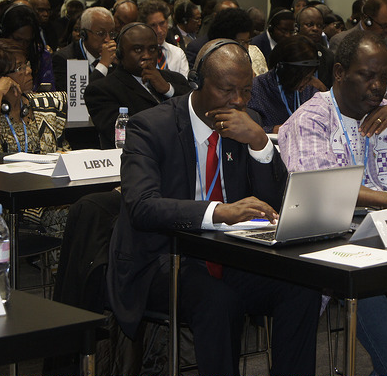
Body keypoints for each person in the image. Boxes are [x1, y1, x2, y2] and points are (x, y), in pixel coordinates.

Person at [106, 38, 320, 375]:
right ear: (198, 84)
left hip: (230, 255)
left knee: (302, 289)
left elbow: (276, 201)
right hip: (164, 260)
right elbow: (142, 207)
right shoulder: (150, 127)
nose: (238, 101)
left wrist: (260, 142)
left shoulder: (245, 121)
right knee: (218, 301)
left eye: (246, 91)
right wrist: (218, 211)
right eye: (227, 90)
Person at [278, 30, 387, 376]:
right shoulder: (311, 119)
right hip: (334, 236)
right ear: (340, 72)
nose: (378, 86)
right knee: (365, 279)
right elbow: (321, 186)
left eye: (383, 75)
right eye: (367, 75)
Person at [85, 23, 190, 148]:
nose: (147, 56)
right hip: (137, 160)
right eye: (138, 50)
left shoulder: (175, 79)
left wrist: (168, 89)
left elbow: (194, 109)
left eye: (152, 49)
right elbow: (123, 135)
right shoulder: (102, 90)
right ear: (120, 54)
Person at [0, 39, 69, 154]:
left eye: (26, 64)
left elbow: (64, 150)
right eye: (20, 68)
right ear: (0, 79)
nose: (29, 70)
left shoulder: (48, 104)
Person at [248, 35, 321, 133]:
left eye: (309, 77)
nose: (305, 84)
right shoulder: (255, 90)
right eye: (302, 78)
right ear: (284, 70)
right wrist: (272, 130)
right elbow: (245, 130)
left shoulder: (311, 90)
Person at [329, 0, 387, 88]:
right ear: (367, 20)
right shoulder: (341, 40)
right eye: (383, 26)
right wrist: (381, 79)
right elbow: (341, 79)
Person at [0, 3, 56, 92]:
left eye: (27, 41)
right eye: (17, 39)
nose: (21, 45)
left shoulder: (41, 55)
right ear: (3, 33)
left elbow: (50, 91)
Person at [187, 8, 268, 76]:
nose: (246, 47)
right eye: (241, 42)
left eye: (247, 42)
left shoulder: (253, 55)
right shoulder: (200, 50)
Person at [52, 7, 117, 92]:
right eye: (101, 34)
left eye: (112, 34)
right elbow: (78, 99)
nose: (108, 39)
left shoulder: (116, 57)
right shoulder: (65, 58)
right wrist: (103, 65)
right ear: (84, 34)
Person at [139, 0, 190, 78]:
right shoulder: (139, 55)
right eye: (153, 25)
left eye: (162, 23)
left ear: (167, 22)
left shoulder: (178, 54)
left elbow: (185, 87)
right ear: (145, 27)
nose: (159, 30)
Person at [295, 6, 334, 88]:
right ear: (297, 27)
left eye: (319, 26)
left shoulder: (328, 56)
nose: (315, 29)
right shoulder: (287, 52)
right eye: (310, 25)